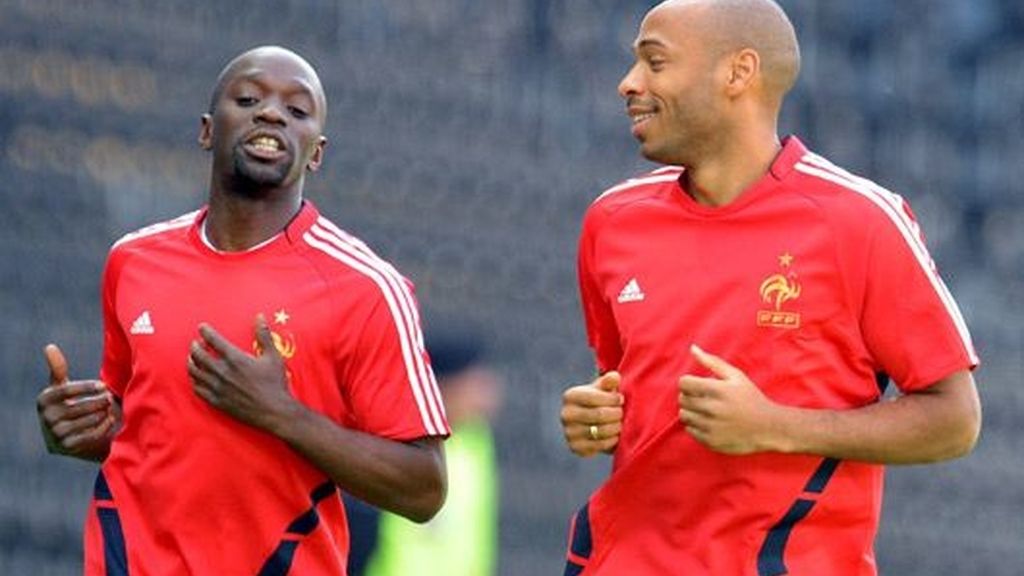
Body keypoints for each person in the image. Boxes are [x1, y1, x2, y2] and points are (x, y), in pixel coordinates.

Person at [558, 1, 981, 574]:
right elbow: (628, 394)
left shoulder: (859, 221)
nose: (629, 84)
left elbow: (955, 420)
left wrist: (775, 427)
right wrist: (596, 418)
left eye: (655, 63)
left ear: (738, 72)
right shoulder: (611, 221)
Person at [35, 46, 449, 575]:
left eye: (297, 111)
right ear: (208, 130)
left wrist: (281, 414)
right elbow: (137, 426)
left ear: (315, 154)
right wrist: (79, 431)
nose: (271, 113)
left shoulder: (366, 288)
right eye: (249, 98)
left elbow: (425, 488)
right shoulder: (133, 261)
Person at [347, 324, 503, 576]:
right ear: (444, 388)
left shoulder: (476, 442)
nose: (487, 397)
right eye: (473, 385)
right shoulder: (394, 441)